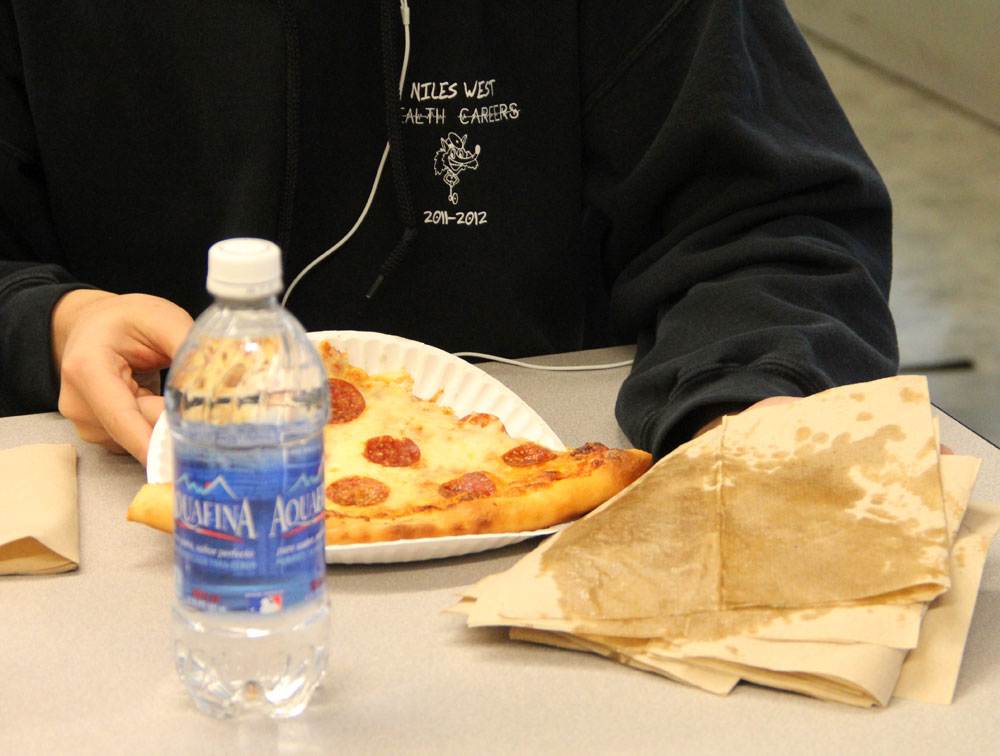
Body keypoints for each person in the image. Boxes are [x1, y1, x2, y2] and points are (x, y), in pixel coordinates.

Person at [0, 0, 897, 465]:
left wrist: (749, 392)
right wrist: (49, 324)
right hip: (123, 525)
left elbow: (773, 224)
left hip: (536, 509)